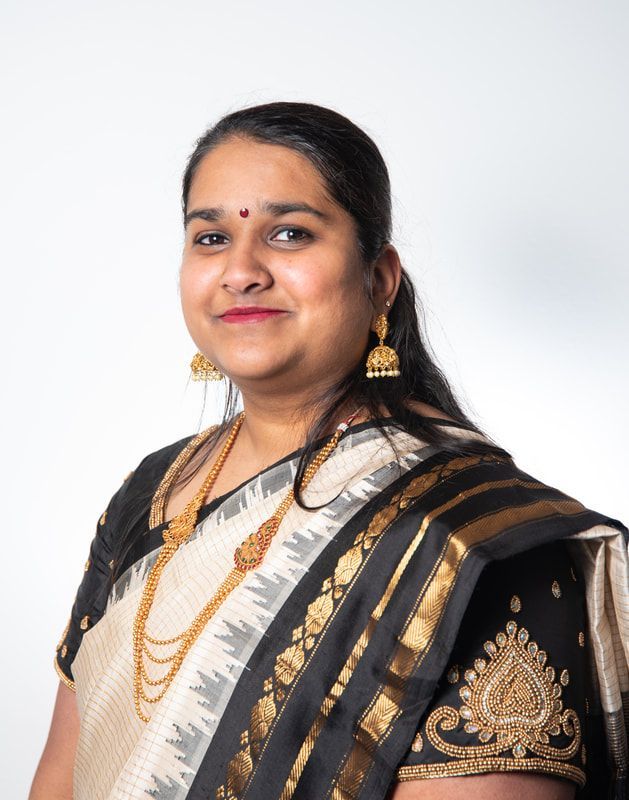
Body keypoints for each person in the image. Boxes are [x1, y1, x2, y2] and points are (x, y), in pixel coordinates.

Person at [30, 102, 628, 800]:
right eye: (210, 237)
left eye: (289, 233)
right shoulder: (152, 491)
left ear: (378, 278)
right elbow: (60, 777)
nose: (241, 270)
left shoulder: (471, 538)